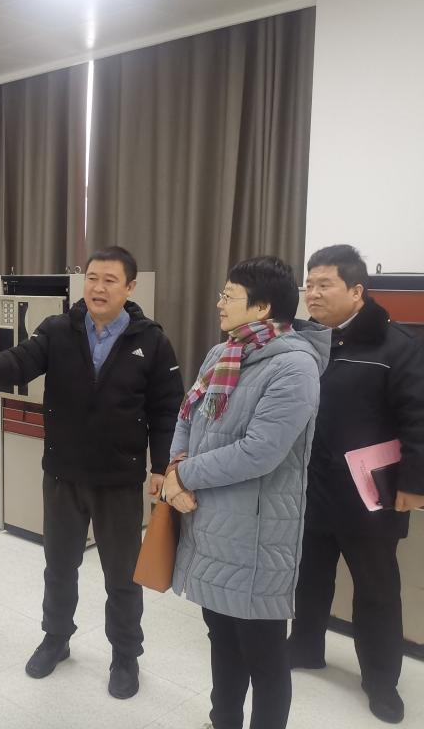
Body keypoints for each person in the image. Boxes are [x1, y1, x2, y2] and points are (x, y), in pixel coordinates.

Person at [0, 246, 184, 696]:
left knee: (122, 576)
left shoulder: (152, 341)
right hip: (64, 474)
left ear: (130, 287)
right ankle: (56, 638)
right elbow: (21, 361)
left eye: (110, 280)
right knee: (59, 567)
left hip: (119, 480)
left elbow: (167, 410)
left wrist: (162, 466)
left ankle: (125, 655)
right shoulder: (59, 329)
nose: (98, 288)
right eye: (92, 278)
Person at [163, 256, 328, 729]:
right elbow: (188, 414)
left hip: (256, 538)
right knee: (221, 637)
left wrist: (185, 475)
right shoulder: (223, 352)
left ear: (262, 308)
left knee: (264, 655)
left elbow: (260, 451)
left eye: (228, 295)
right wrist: (175, 469)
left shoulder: (295, 366)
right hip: (208, 522)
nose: (219, 303)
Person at [288, 245, 424, 724]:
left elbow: (418, 419)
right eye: (309, 284)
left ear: (357, 291)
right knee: (308, 575)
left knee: (376, 589)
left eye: (324, 284)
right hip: (310, 485)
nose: (313, 293)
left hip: (370, 494)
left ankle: (381, 681)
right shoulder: (303, 340)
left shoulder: (396, 346)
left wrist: (415, 483)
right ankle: (305, 647)